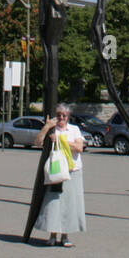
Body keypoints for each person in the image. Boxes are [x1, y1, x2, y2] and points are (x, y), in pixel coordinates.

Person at [34, 104, 86, 246]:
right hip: (56, 170)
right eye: (59, 115)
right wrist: (46, 127)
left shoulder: (74, 130)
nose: (61, 118)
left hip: (72, 170)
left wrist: (61, 140)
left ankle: (65, 236)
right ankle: (52, 235)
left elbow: (79, 147)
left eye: (64, 115)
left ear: (68, 117)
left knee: (69, 204)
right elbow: (37, 142)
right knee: (54, 203)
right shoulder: (52, 130)